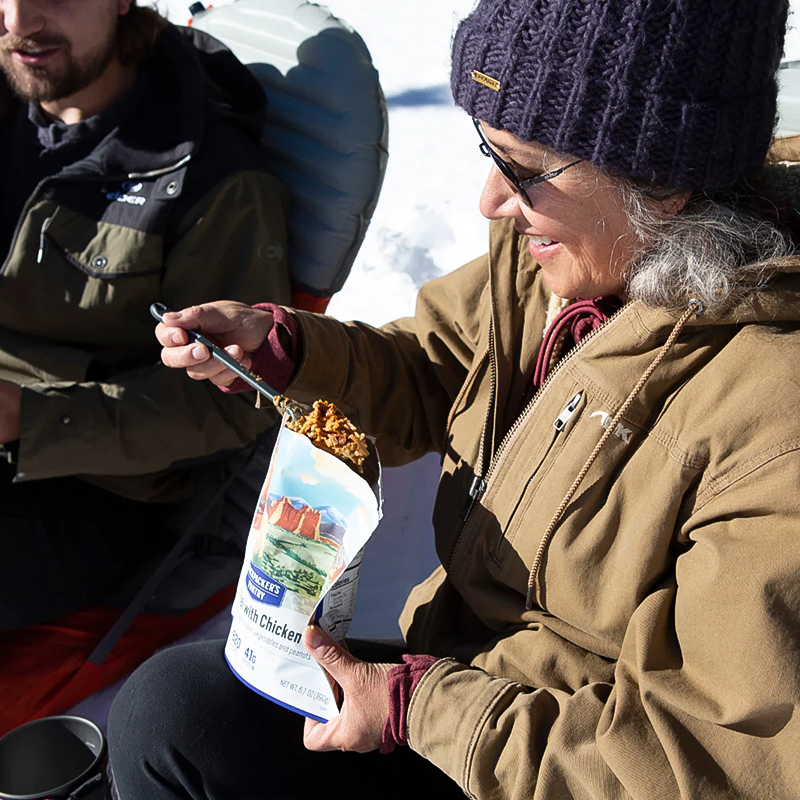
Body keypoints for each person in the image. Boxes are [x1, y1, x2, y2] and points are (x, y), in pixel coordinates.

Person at [109, 0, 800, 797]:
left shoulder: (769, 421)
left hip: (558, 755)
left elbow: (713, 759)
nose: (489, 201)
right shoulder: (572, 251)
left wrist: (424, 709)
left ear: (665, 178)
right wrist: (292, 353)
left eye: (524, 167)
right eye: (489, 152)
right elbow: (438, 366)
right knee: (180, 713)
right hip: (462, 682)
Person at [0, 0, 290, 631]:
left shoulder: (211, 175)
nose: (19, 22)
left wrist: (29, 417)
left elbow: (232, 400)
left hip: (89, 485)